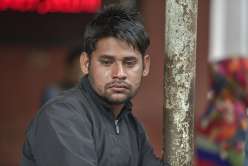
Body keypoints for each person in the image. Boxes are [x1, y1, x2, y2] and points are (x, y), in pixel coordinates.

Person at [21, 6, 168, 166]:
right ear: (86, 63)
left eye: (129, 63)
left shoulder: (132, 127)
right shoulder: (61, 117)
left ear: (145, 66)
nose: (119, 73)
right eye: (106, 62)